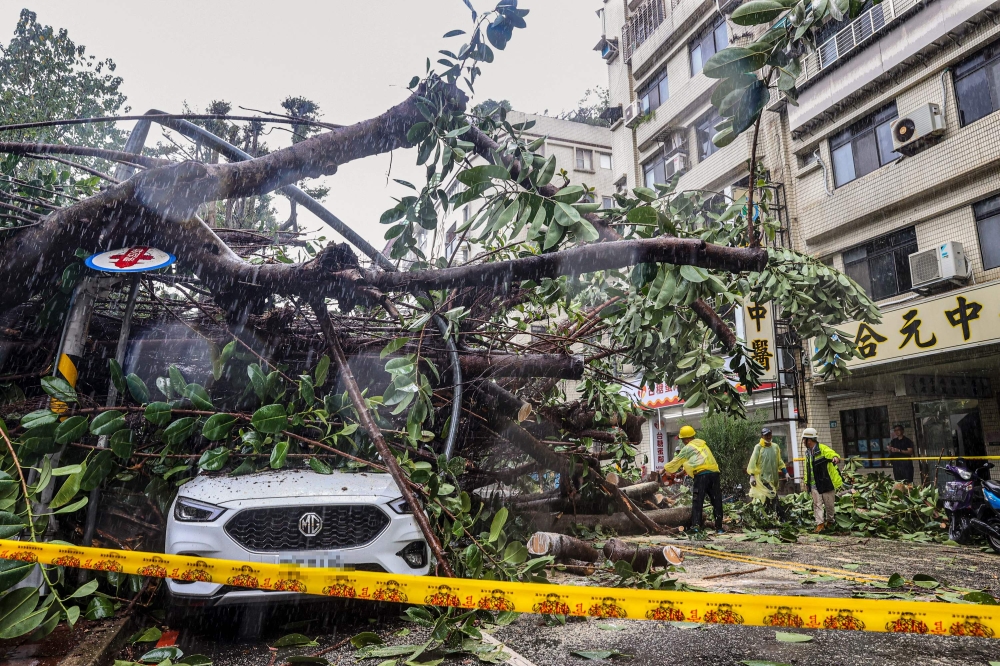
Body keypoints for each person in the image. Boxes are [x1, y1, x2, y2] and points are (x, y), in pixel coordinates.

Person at [663, 425, 723, 534]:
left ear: (686, 439)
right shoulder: (703, 445)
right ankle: (719, 528)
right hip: (714, 474)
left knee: (697, 502)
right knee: (716, 501)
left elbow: (675, 462)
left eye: (682, 440)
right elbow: (698, 462)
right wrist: (682, 473)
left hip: (701, 476)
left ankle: (696, 527)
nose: (683, 442)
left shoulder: (688, 448)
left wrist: (663, 470)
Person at [802, 427, 842, 532]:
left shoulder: (823, 449)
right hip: (814, 483)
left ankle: (830, 521)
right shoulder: (807, 453)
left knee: (829, 504)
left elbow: (833, 454)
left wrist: (835, 458)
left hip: (826, 482)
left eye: (804, 440)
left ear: (809, 440)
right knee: (817, 504)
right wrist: (807, 482)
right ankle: (820, 524)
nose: (803, 442)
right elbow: (808, 469)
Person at [747, 427, 788, 519]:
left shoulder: (775, 447)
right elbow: (752, 462)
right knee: (772, 497)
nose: (768, 436)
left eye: (769, 434)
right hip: (762, 479)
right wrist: (752, 476)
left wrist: (785, 472)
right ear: (762, 436)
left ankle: (766, 517)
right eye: (766, 435)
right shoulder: (758, 447)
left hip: (773, 479)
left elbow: (779, 461)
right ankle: (781, 517)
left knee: (768, 499)